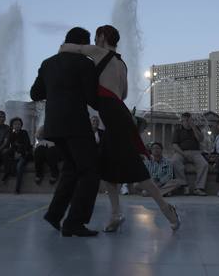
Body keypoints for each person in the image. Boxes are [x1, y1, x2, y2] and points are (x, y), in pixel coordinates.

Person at [59, 25, 180, 233]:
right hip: (118, 112)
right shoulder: (121, 64)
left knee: (137, 170)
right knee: (107, 168)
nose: (94, 41)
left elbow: (66, 49)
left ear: (103, 36)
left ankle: (167, 209)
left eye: (97, 37)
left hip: (113, 115)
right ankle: (116, 214)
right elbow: (123, 94)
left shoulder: (98, 52)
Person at [31, 27, 101, 237]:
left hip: (53, 127)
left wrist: (55, 88)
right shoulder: (84, 63)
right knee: (90, 171)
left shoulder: (48, 63)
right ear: (82, 44)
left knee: (71, 169)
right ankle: (74, 222)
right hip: (76, 125)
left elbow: (35, 93)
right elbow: (92, 98)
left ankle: (54, 214)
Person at [170, 112, 209, 196]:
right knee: (174, 161)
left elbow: (200, 139)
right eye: (186, 120)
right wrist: (183, 154)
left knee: (204, 164)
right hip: (181, 152)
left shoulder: (196, 128)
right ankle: (184, 185)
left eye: (190, 120)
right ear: (182, 121)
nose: (188, 122)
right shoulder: (178, 130)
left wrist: (193, 127)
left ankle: (199, 188)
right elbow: (174, 145)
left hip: (195, 152)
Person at [2, 117, 32, 194]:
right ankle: (7, 173)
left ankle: (17, 189)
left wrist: (19, 153)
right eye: (15, 124)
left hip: (24, 154)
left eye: (19, 124)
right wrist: (14, 152)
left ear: (21, 125)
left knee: (19, 167)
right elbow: (10, 146)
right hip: (15, 154)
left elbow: (26, 145)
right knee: (5, 154)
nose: (17, 125)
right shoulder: (11, 134)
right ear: (12, 126)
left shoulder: (24, 132)